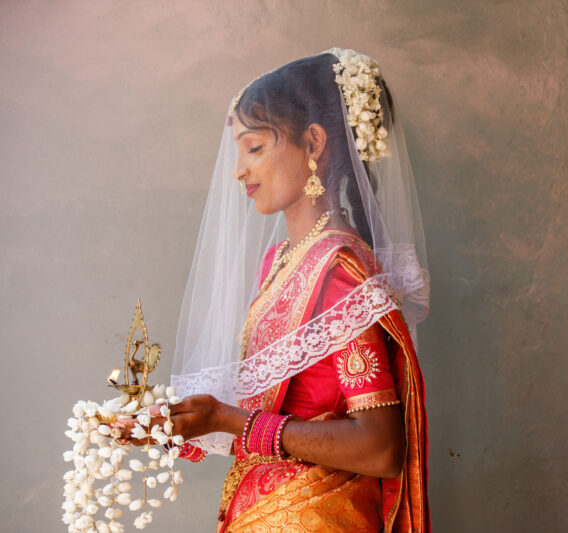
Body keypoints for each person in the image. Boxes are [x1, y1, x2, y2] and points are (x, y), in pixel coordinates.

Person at [115, 49, 430, 532]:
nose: (239, 170)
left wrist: (228, 420)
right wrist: (178, 423)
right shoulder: (281, 260)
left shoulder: (337, 271)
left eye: (255, 147)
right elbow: (275, 417)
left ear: (313, 143)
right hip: (264, 512)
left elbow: (380, 448)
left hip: (318, 517)